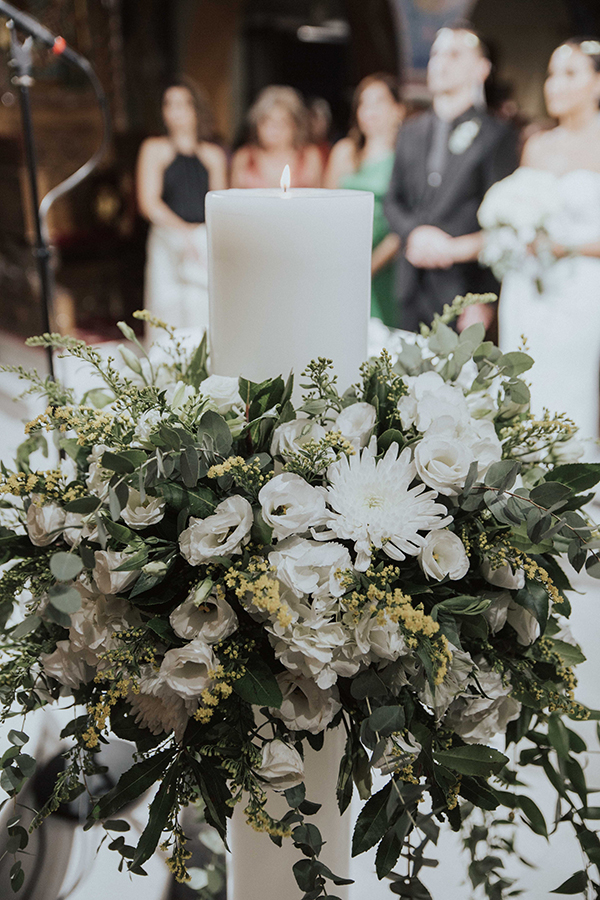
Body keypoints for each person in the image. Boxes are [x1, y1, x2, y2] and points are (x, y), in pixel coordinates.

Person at [495, 38, 600, 449]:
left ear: (597, 83)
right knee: (523, 389)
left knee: (569, 389)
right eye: (552, 73)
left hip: (579, 287)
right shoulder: (537, 144)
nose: (554, 84)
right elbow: (517, 210)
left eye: (570, 73)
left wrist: (566, 246)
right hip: (526, 287)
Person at [383, 25, 519, 333]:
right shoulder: (410, 130)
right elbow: (394, 200)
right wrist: (414, 232)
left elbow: (501, 218)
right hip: (410, 283)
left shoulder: (497, 135)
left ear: (482, 68)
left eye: (455, 54)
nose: (441, 62)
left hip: (464, 289)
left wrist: (486, 299)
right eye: (436, 54)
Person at [136, 79, 227, 340]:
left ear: (196, 109)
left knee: (202, 309)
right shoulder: (154, 149)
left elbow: (217, 204)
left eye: (182, 104)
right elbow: (149, 202)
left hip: (202, 240)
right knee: (166, 309)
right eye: (169, 104)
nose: (175, 111)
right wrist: (182, 232)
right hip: (167, 238)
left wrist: (198, 236)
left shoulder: (213, 155)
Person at [324, 74, 404, 327]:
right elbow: (325, 208)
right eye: (363, 103)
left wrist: (369, 266)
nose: (369, 110)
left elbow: (407, 220)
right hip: (343, 259)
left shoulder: (405, 157)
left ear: (398, 109)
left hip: (387, 261)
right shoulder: (344, 151)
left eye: (379, 102)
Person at [231, 86, 323, 188]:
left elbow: (319, 198)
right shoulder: (244, 157)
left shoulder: (309, 156)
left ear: (295, 126)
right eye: (267, 122)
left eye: (282, 123)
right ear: (257, 125)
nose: (274, 129)